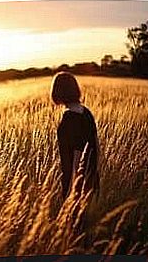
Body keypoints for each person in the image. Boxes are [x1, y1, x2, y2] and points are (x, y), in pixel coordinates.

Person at [51, 71, 100, 201]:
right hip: (91, 178)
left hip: (76, 183)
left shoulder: (69, 119)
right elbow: (96, 146)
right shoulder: (86, 113)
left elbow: (76, 154)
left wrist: (73, 189)